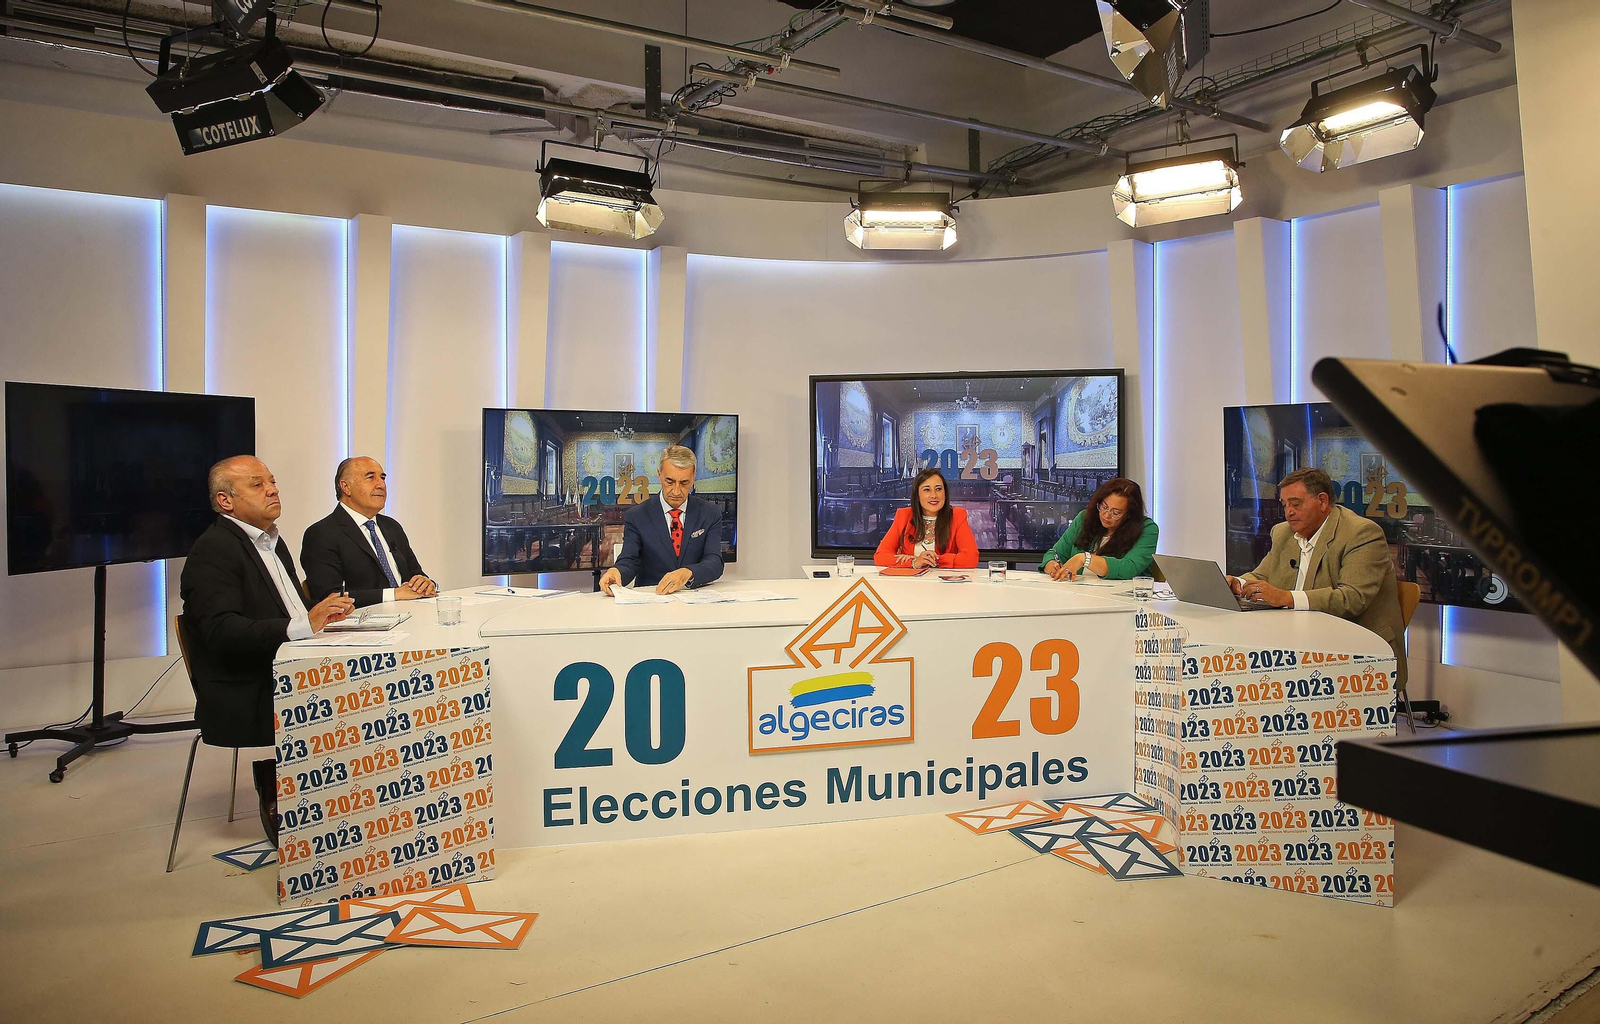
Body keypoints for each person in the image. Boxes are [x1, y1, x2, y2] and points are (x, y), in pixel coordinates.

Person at [179, 456, 355, 843]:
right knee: (366, 695)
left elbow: (291, 613)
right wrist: (305, 624)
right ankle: (284, 785)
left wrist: (324, 618)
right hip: (250, 685)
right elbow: (222, 632)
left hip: (292, 664)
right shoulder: (214, 550)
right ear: (226, 501)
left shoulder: (271, 542)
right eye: (258, 485)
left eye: (272, 482)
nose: (273, 490)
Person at [1228, 467, 1407, 689]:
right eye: (1285, 505)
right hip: (1299, 641)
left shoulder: (1362, 533)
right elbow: (1261, 575)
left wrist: (1286, 598)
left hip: (1360, 649)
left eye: (1296, 503)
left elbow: (1352, 599)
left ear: (1322, 501)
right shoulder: (1283, 532)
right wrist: (1238, 583)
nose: (1288, 512)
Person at [301, 456, 436, 608]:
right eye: (370, 477)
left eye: (383, 478)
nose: (381, 485)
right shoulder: (322, 534)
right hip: (361, 625)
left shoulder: (391, 526)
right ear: (346, 487)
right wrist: (394, 594)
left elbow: (415, 574)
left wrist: (425, 583)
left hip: (410, 616)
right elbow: (329, 597)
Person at [600, 445, 723, 596]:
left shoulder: (710, 513)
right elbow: (629, 560)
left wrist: (687, 573)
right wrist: (616, 571)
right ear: (659, 475)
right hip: (653, 601)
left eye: (684, 483)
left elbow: (715, 562)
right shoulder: (637, 516)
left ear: (693, 478)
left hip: (695, 598)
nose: (676, 491)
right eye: (670, 481)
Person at [1040, 477, 1159, 581]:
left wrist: (1085, 559)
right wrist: (1051, 563)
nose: (1106, 515)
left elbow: (1130, 568)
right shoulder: (1084, 518)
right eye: (1104, 507)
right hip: (1079, 593)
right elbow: (1055, 552)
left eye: (1116, 512)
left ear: (1129, 514)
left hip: (1122, 598)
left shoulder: (1147, 529)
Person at [873, 468, 979, 569]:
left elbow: (971, 559)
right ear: (918, 496)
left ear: (945, 493)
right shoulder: (904, 515)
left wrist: (930, 560)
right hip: (911, 583)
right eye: (927, 490)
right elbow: (880, 556)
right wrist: (914, 562)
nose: (933, 495)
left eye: (938, 489)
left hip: (944, 583)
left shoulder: (957, 515)